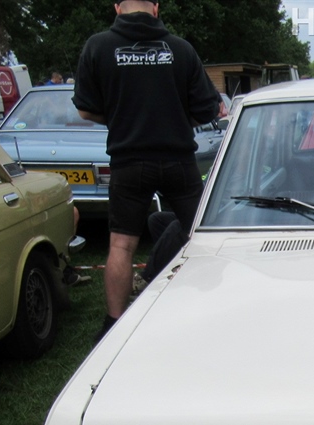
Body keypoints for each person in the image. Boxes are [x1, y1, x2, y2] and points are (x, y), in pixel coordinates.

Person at [73, 0, 223, 342]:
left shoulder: (98, 46)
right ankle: (212, 313)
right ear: (156, 8)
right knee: (204, 240)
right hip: (178, 160)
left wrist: (121, 117)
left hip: (129, 162)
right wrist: (174, 118)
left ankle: (114, 326)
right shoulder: (181, 49)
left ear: (117, 7)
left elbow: (85, 109)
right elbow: (208, 109)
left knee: (121, 246)